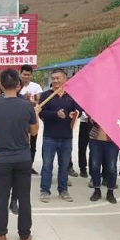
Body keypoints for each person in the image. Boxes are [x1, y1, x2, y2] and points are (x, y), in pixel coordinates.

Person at [0, 69, 38, 240]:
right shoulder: (27, 106)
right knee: (24, 198)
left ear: (0, 85)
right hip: (23, 158)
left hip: (3, 159)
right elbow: (34, 131)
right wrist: (34, 116)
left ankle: (1, 233)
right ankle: (24, 235)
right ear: (18, 85)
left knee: (2, 197)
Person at [37, 68, 80, 203]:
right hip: (50, 137)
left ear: (65, 79)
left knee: (64, 166)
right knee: (47, 165)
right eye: (53, 78)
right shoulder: (46, 95)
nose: (55, 81)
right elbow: (41, 113)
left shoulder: (71, 95)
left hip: (66, 137)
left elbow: (79, 110)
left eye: (58, 78)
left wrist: (74, 114)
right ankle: (45, 191)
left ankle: (63, 190)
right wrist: (56, 114)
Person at [87, 119, 120, 204]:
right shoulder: (97, 110)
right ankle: (97, 191)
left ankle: (110, 192)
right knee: (95, 166)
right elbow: (90, 119)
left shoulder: (118, 111)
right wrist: (92, 118)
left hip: (112, 141)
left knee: (111, 168)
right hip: (95, 140)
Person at [19, 64, 43, 173]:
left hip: (32, 119)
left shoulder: (36, 87)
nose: (26, 77)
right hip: (19, 120)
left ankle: (30, 166)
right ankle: (20, 166)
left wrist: (33, 102)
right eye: (24, 74)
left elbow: (40, 101)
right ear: (21, 74)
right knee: (21, 143)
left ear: (31, 75)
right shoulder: (17, 86)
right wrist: (24, 99)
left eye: (28, 75)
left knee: (32, 143)